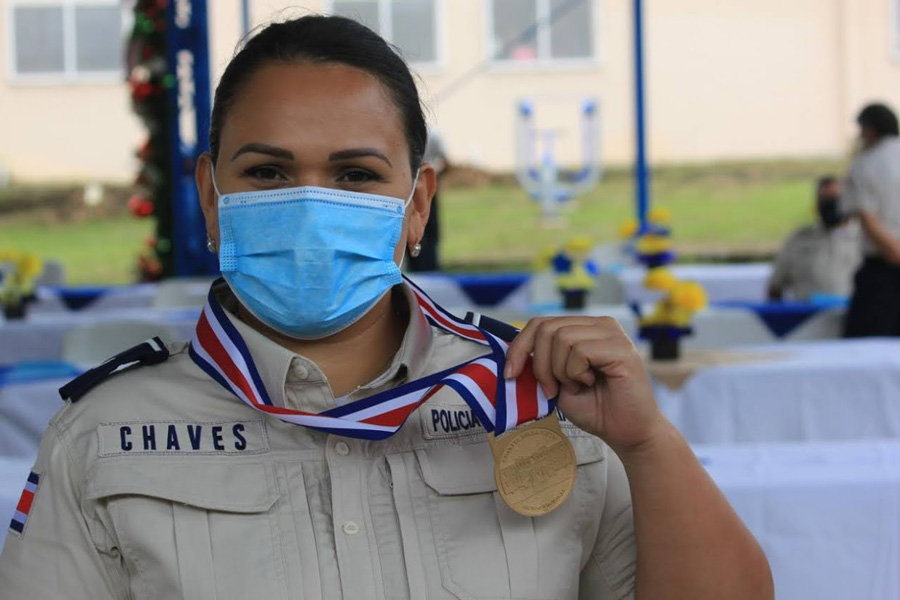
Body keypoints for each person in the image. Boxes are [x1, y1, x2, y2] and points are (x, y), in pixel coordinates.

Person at [0, 16, 772, 599]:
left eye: (356, 174)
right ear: (211, 197)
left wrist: (648, 446)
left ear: (416, 204)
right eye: (268, 173)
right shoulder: (106, 434)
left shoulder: (538, 399)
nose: (309, 205)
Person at [842, 103, 900, 336]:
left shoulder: (865, 164)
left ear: (870, 129)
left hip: (883, 271)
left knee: (866, 348)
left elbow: (868, 220)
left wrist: (895, 253)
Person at [767, 176, 861, 301]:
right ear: (817, 204)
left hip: (850, 317)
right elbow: (775, 287)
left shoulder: (864, 240)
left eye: (836, 199)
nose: (832, 204)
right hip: (810, 317)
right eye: (825, 200)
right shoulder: (799, 240)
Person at [407, 127, 447, 272]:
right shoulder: (433, 133)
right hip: (422, 186)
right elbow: (444, 161)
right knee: (428, 232)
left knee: (424, 230)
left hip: (416, 186)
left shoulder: (430, 133)